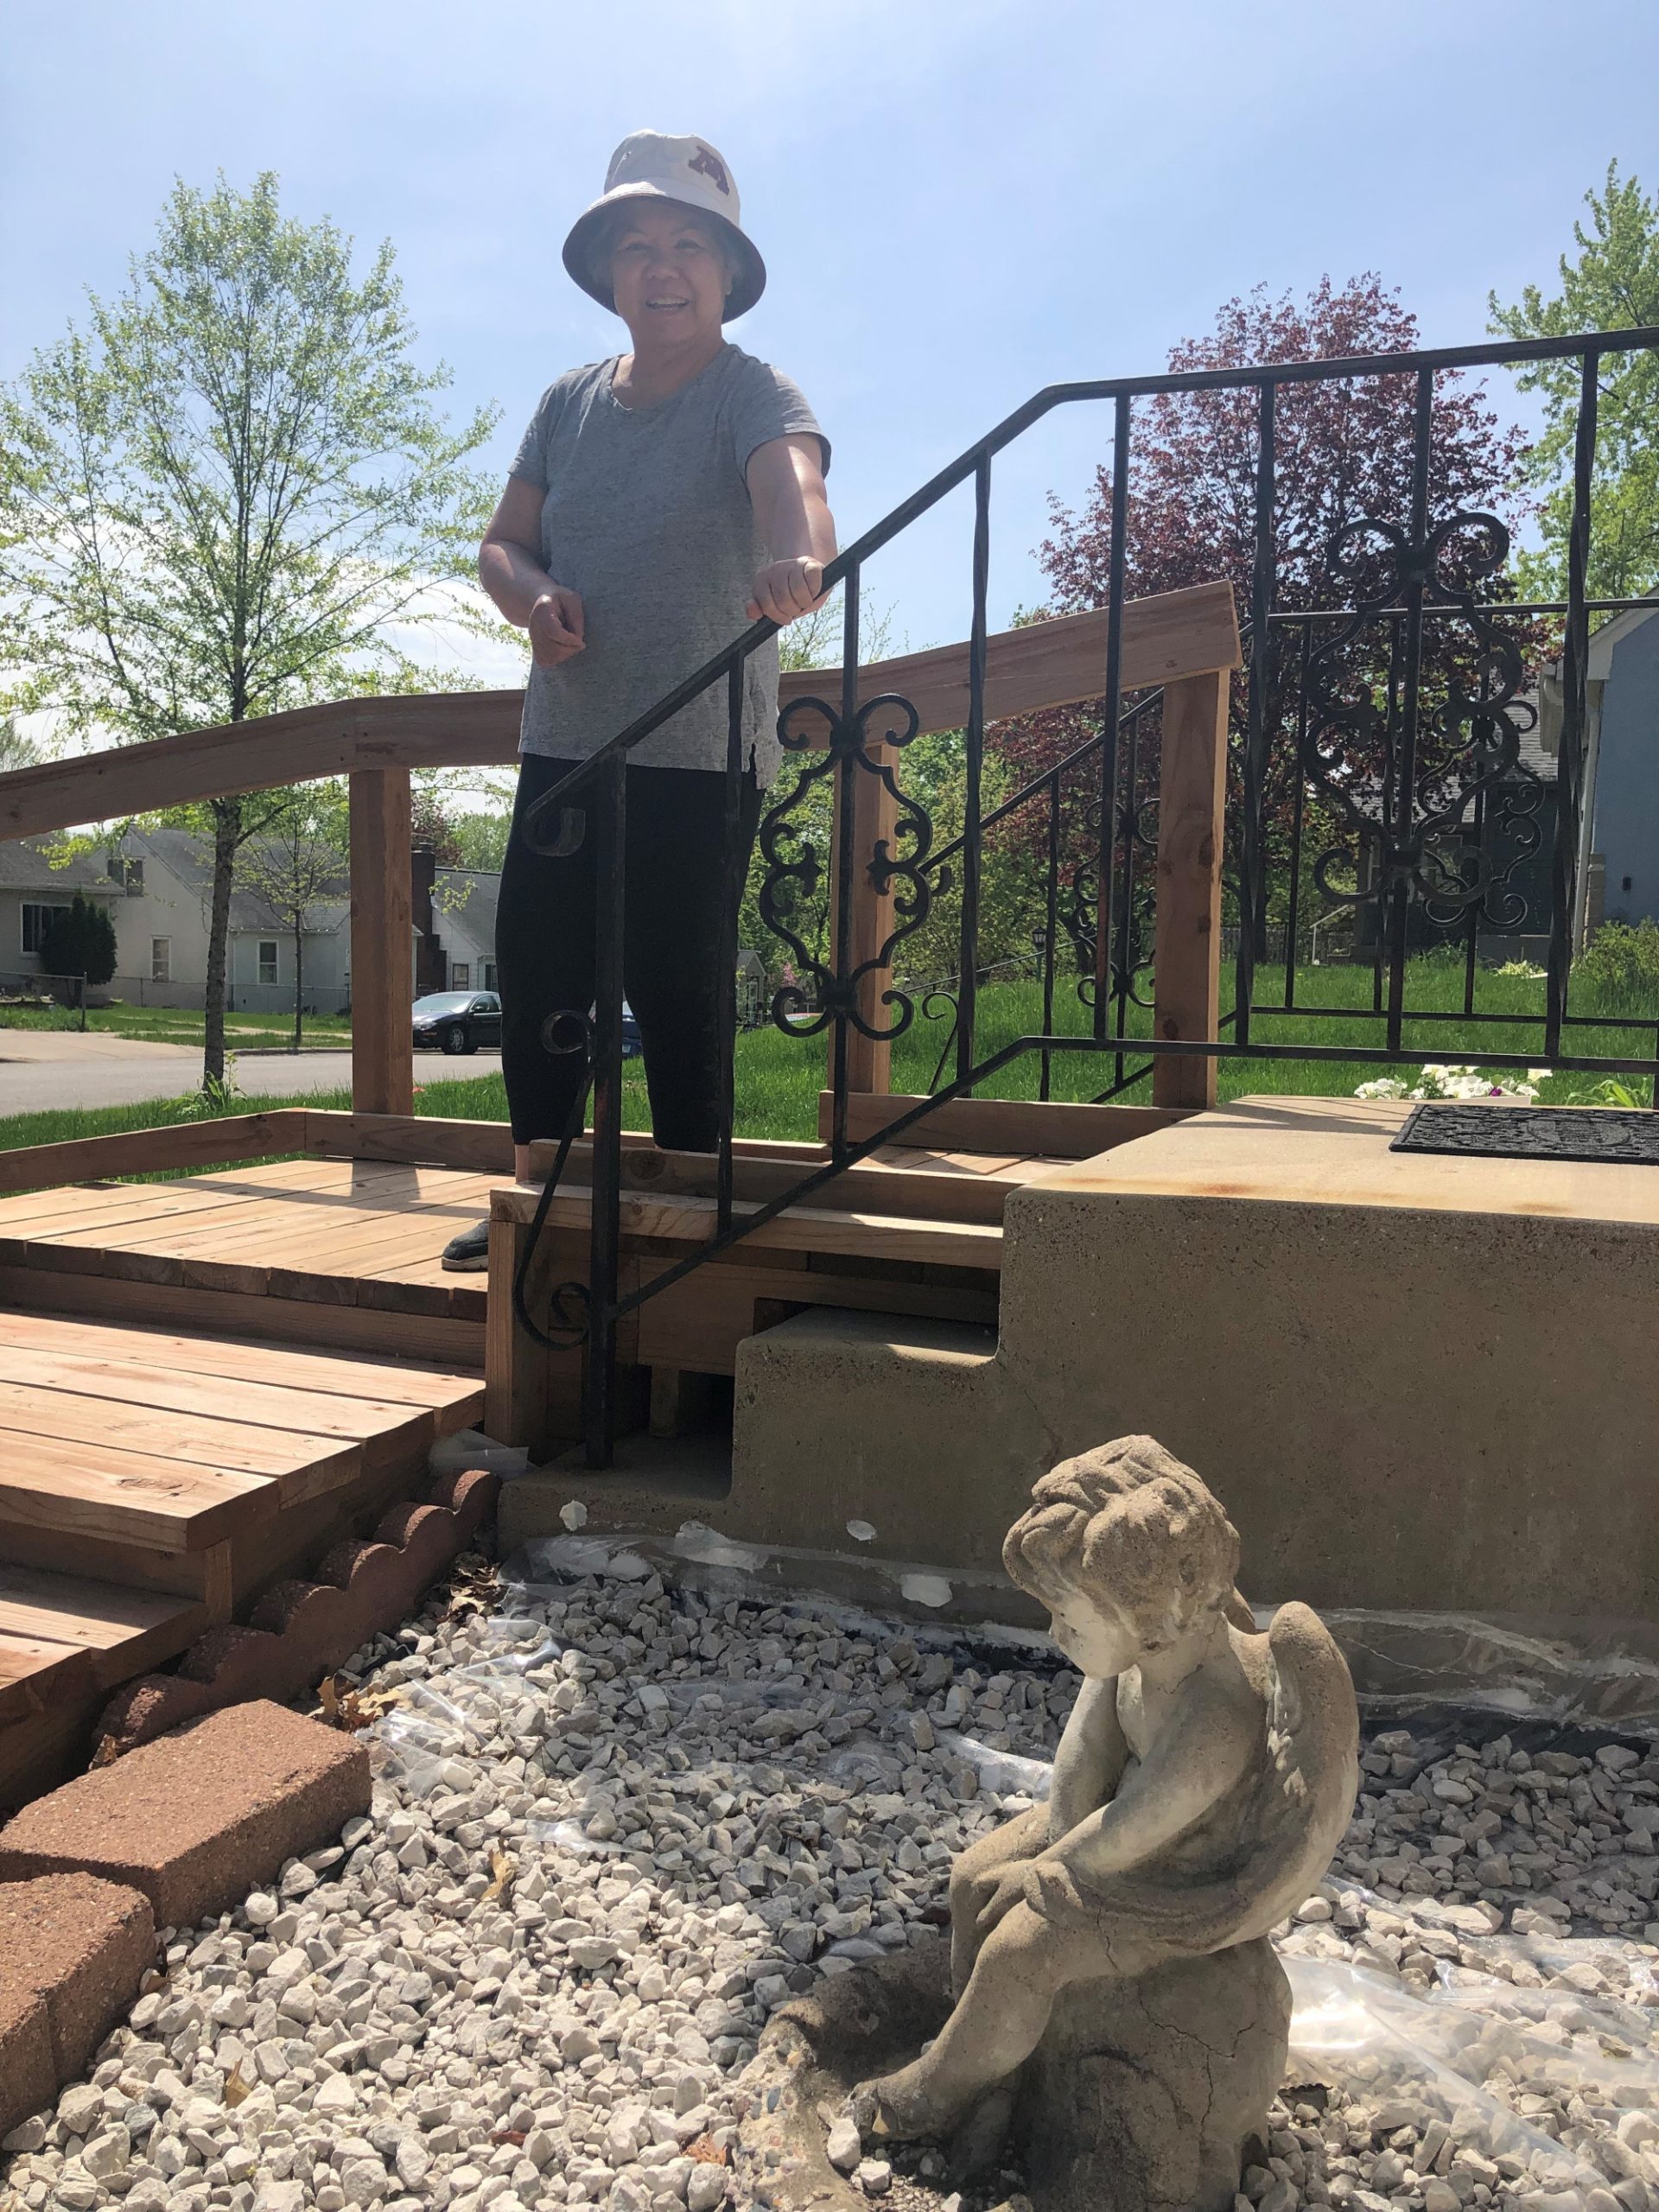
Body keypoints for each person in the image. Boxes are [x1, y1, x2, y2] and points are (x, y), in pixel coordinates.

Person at [441, 130, 835, 1269]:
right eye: (639, 245)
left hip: (704, 750)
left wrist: (796, 560)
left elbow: (794, 486)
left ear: (725, 272)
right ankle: (535, 1201)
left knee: (678, 974)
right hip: (566, 739)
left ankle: (694, 1206)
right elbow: (502, 545)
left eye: (688, 246)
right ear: (611, 271)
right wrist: (532, 598)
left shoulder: (752, 389)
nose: (663, 267)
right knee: (542, 959)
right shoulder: (566, 403)